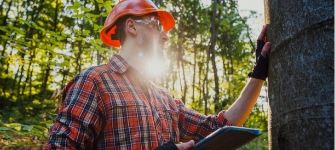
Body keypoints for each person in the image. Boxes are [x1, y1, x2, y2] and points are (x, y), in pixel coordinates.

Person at [44, 0, 271, 149]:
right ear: (132, 27)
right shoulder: (95, 82)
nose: (165, 36)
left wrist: (259, 70)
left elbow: (220, 128)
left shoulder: (165, 100)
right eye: (155, 25)